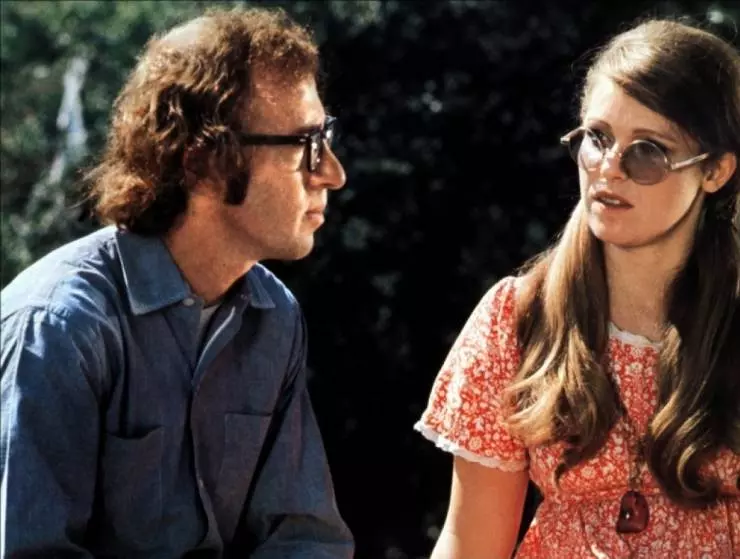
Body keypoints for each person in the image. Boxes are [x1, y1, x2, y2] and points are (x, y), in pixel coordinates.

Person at [1, 6, 353, 557]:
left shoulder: (273, 316)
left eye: (325, 137)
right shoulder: (58, 327)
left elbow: (303, 538)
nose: (332, 172)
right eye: (304, 144)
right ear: (203, 163)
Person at [415, 17, 740, 558]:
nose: (609, 168)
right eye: (598, 138)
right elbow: (470, 543)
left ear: (714, 171)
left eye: (648, 151)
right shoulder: (519, 317)